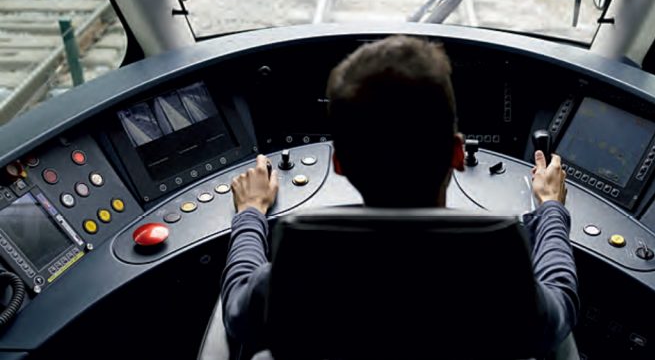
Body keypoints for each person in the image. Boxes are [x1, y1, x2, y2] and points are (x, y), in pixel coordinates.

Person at [220, 36, 578, 356]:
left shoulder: (303, 255)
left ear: (338, 163)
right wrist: (550, 208)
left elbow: (237, 313)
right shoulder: (497, 255)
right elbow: (559, 305)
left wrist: (250, 211)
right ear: (457, 153)